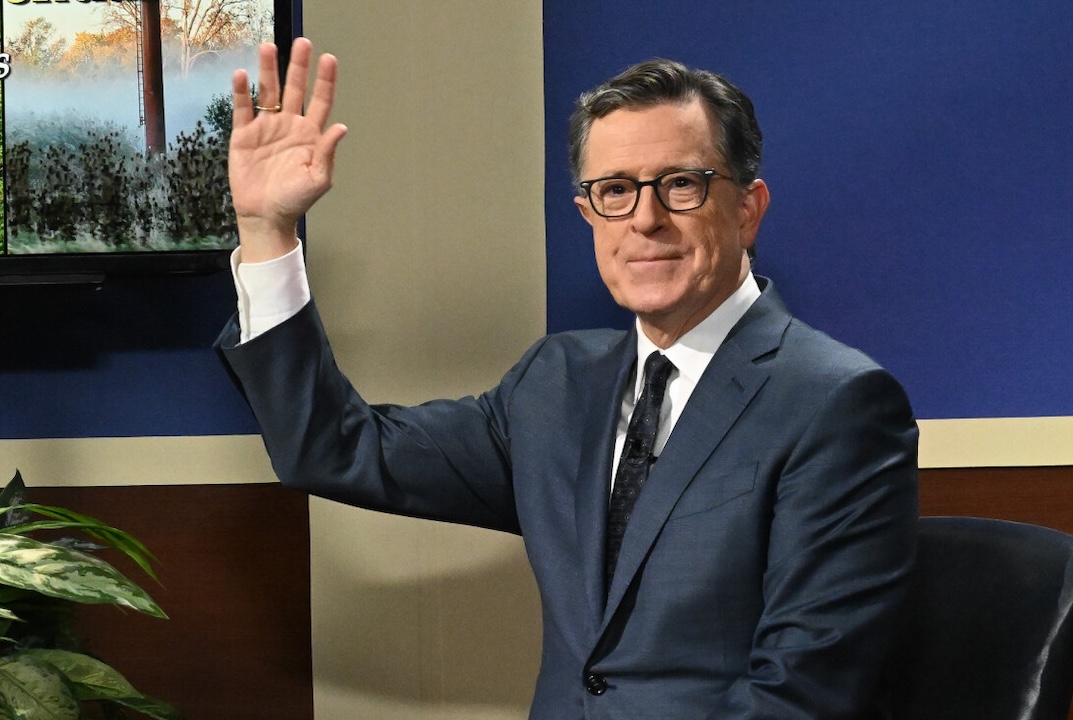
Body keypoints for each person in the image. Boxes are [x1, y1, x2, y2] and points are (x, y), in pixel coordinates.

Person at [218, 37, 919, 720]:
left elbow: (804, 695)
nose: (645, 220)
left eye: (681, 184)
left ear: (747, 208)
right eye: (615, 190)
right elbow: (333, 448)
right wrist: (267, 230)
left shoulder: (836, 403)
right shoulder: (555, 386)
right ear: (589, 215)